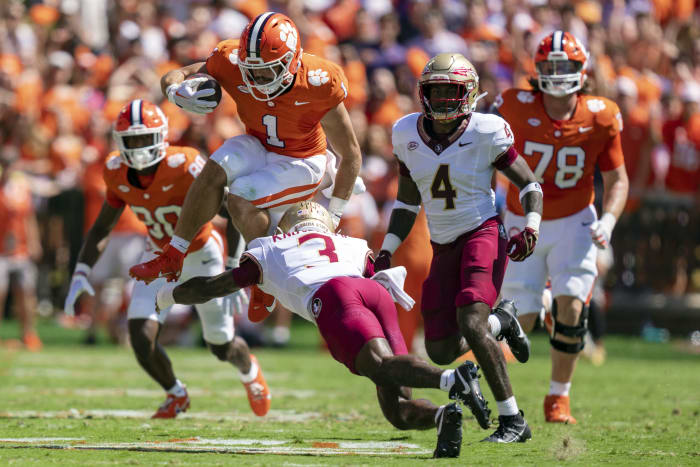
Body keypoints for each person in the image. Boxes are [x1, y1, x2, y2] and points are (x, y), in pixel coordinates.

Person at [156, 201, 490, 457]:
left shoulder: (270, 247)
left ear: (287, 225)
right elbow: (374, 273)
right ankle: (444, 416)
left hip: (334, 296)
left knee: (382, 367)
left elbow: (215, 286)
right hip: (374, 292)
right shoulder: (351, 242)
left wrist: (169, 295)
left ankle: (451, 379)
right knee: (398, 408)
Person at [129, 13, 363, 298]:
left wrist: (335, 214)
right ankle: (173, 255)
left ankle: (265, 282)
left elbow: (350, 154)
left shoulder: (319, 80)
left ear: (292, 61)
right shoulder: (230, 60)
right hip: (259, 143)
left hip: (303, 159)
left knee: (240, 196)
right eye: (251, 69)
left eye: (267, 70)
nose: (257, 78)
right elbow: (174, 76)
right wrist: (176, 92)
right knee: (215, 166)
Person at [63, 100, 270, 419]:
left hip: (203, 254)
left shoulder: (186, 164)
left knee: (220, 345)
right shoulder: (116, 170)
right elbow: (102, 226)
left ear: (161, 137)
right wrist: (81, 272)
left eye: (145, 138)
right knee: (140, 336)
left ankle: (249, 371)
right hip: (157, 255)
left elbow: (232, 213)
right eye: (131, 140)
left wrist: (232, 267)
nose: (139, 146)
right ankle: (176, 393)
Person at [375, 53, 540, 443]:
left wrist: (530, 226)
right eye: (437, 91)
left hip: (482, 233)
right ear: (423, 93)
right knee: (440, 349)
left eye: (453, 92)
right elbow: (406, 202)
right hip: (443, 244)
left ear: (470, 94)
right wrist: (386, 248)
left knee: (470, 322)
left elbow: (530, 184)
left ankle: (513, 419)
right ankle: (502, 323)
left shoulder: (487, 130)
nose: (445, 100)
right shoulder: (405, 133)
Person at [493, 31, 629, 424]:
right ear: (536, 70)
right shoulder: (514, 105)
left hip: (574, 220)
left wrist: (609, 219)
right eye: (549, 66)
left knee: (573, 305)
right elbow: (485, 153)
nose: (556, 73)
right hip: (524, 219)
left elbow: (618, 179)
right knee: (522, 317)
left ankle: (558, 399)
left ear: (581, 70)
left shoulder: (601, 114)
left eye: (563, 66)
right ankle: (499, 392)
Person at [0, 147, 43, 351]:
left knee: (26, 293)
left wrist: (35, 241)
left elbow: (29, 216)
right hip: (1, 250)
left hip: (21, 248)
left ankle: (28, 334)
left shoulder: (21, 187)